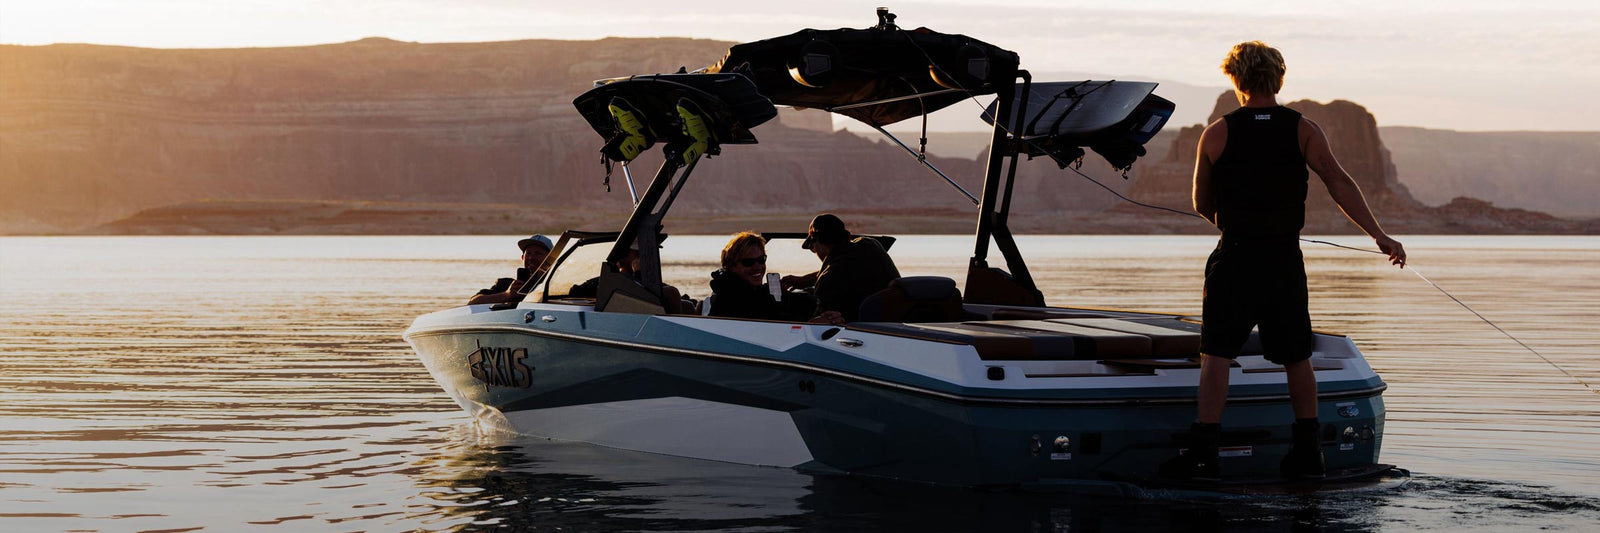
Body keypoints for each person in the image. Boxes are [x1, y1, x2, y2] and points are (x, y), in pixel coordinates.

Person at [1160, 41, 1406, 481]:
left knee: (1216, 353)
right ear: (1278, 78)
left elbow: (1200, 201)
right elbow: (1338, 181)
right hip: (1282, 258)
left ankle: (1204, 453)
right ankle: (1309, 453)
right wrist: (1379, 235)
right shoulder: (1303, 129)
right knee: (1297, 356)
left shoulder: (1217, 132)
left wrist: (1232, 220)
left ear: (1235, 80)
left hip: (1235, 255)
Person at [784, 214, 900, 325]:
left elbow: (818, 324)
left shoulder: (827, 283)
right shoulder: (870, 245)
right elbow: (846, 267)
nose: (815, 252)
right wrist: (803, 280)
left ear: (817, 241)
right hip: (895, 326)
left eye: (813, 248)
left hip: (858, 336)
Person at [707, 232, 813, 321]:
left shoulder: (752, 292)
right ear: (731, 266)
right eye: (748, 262)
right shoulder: (732, 298)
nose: (758, 267)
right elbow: (772, 318)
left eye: (761, 260)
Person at [469, 234, 553, 306]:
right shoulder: (505, 284)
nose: (531, 258)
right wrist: (507, 295)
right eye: (528, 254)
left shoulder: (556, 288)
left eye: (538, 253)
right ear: (522, 258)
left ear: (551, 260)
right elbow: (472, 303)